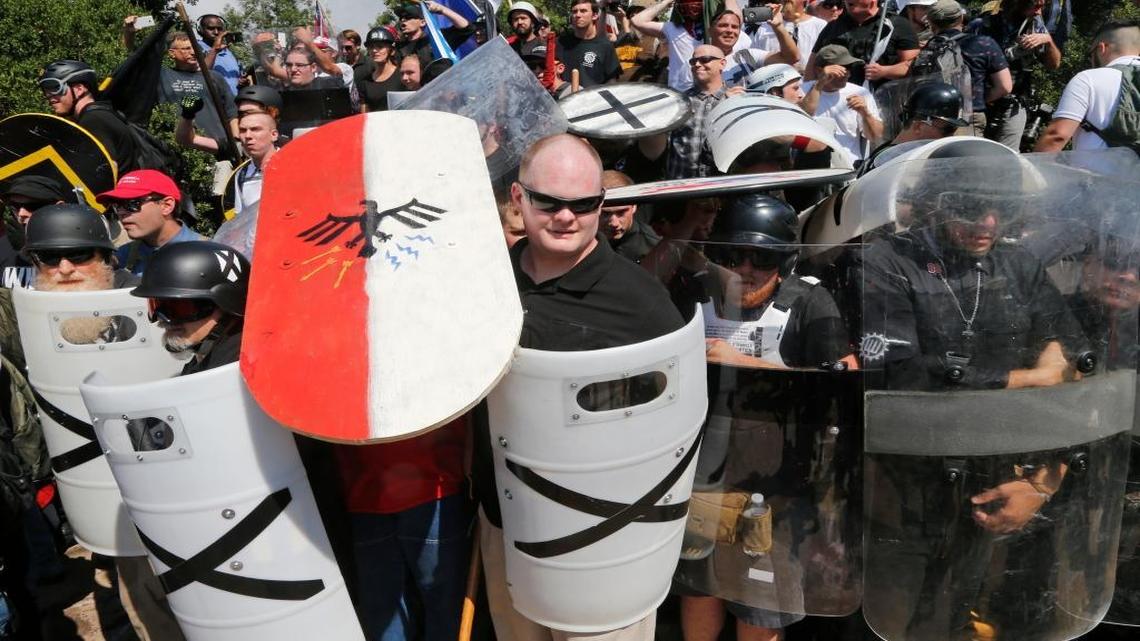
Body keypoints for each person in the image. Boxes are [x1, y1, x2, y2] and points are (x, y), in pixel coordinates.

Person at [475, 132, 683, 641]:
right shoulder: (486, 281)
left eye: (583, 204)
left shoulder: (641, 304)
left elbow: (675, 429)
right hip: (506, 523)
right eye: (549, 201)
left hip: (604, 538)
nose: (566, 217)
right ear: (519, 199)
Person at [2, 204, 188, 641]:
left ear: (107, 259)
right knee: (130, 595)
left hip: (160, 476)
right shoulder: (28, 315)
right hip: (91, 491)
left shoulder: (152, 303)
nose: (65, 269)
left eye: (81, 255)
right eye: (50, 259)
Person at [131, 240, 247, 374]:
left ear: (229, 304)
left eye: (180, 307)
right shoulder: (208, 359)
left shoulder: (240, 370)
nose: (163, 320)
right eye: (156, 306)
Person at [968, 0, 1062, 150]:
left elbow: (1054, 65)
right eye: (1035, 6)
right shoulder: (982, 26)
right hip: (980, 101)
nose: (1038, 12)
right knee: (971, 152)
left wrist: (1048, 41)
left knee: (1008, 157)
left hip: (1014, 103)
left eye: (1042, 7)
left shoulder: (1034, 27)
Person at [1034, 20, 1140, 153]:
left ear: (1101, 48)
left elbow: (1057, 136)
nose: (1091, 60)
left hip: (1093, 172)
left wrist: (1031, 171)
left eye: (1091, 53)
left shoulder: (1088, 79)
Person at [924, 0, 1011, 137]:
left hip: (930, 120)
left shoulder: (927, 47)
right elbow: (1005, 87)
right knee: (966, 158)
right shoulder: (983, 43)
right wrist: (978, 99)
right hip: (968, 117)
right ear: (962, 18)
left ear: (931, 22)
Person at [38, 60, 140, 174]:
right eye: (45, 90)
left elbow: (106, 171)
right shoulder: (102, 114)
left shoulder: (93, 120)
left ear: (79, 89)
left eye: (54, 87)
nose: (49, 96)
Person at [97, 170, 204, 276]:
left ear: (166, 206)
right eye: (117, 205)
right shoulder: (121, 257)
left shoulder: (209, 253)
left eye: (132, 204)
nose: (121, 212)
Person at [666, 45, 745, 179]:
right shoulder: (678, 102)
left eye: (705, 59)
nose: (697, 64)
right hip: (682, 187)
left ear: (722, 64)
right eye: (693, 61)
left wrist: (731, 106)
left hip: (722, 188)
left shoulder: (737, 100)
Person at [801, 44, 885, 166]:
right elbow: (804, 115)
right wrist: (820, 83)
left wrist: (865, 113)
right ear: (820, 70)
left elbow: (876, 136)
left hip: (849, 166)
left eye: (849, 68)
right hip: (812, 167)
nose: (846, 73)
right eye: (841, 68)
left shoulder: (860, 93)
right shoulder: (803, 90)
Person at [807, 0, 920, 87]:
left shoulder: (896, 25)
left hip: (879, 100)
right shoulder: (833, 26)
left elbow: (913, 66)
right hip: (835, 99)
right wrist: (809, 89)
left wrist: (884, 71)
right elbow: (812, 65)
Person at [861, 81, 969, 171]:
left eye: (955, 129)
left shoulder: (932, 158)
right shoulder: (886, 161)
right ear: (918, 126)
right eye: (947, 129)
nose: (951, 136)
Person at [159, 33, 239, 152]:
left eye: (195, 48)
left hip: (217, 147)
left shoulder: (213, 77)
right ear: (172, 53)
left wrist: (237, 143)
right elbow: (135, 58)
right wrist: (129, 33)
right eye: (186, 48)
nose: (193, 52)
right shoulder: (162, 76)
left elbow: (232, 112)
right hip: (180, 149)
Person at [0, 176, 71, 290]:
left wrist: (30, 252)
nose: (21, 213)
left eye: (32, 206)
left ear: (59, 207)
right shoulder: (3, 247)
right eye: (15, 206)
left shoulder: (79, 249)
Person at [750, 0, 829, 71]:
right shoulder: (766, 26)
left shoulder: (820, 26)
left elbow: (826, 61)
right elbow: (754, 61)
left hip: (807, 84)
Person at [559, 0, 623, 87]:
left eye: (583, 11)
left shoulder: (605, 46)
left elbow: (611, 83)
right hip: (564, 98)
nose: (577, 15)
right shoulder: (560, 42)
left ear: (595, 15)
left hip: (593, 99)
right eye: (574, 11)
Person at [600, 170, 660, 263]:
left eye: (621, 212)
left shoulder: (653, 247)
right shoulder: (581, 237)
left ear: (634, 206)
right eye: (605, 213)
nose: (614, 223)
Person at [396, 2, 474, 69]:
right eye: (401, 18)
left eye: (408, 17)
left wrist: (442, 9)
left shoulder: (439, 39)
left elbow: (467, 28)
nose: (403, 21)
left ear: (422, 22)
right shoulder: (399, 48)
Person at [233, 112, 279, 216]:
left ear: (274, 135)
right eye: (243, 130)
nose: (248, 136)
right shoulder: (241, 174)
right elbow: (240, 221)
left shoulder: (294, 165)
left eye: (255, 129)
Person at [358, 28, 404, 112]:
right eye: (371, 47)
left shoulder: (403, 76)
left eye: (380, 46)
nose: (375, 50)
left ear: (392, 50)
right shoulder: (365, 82)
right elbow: (364, 115)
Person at [196, 13, 243, 95]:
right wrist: (214, 50)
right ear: (200, 30)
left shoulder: (229, 52)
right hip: (212, 103)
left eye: (219, 29)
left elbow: (239, 77)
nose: (216, 32)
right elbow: (200, 75)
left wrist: (242, 82)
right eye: (211, 28)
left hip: (234, 103)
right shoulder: (194, 48)